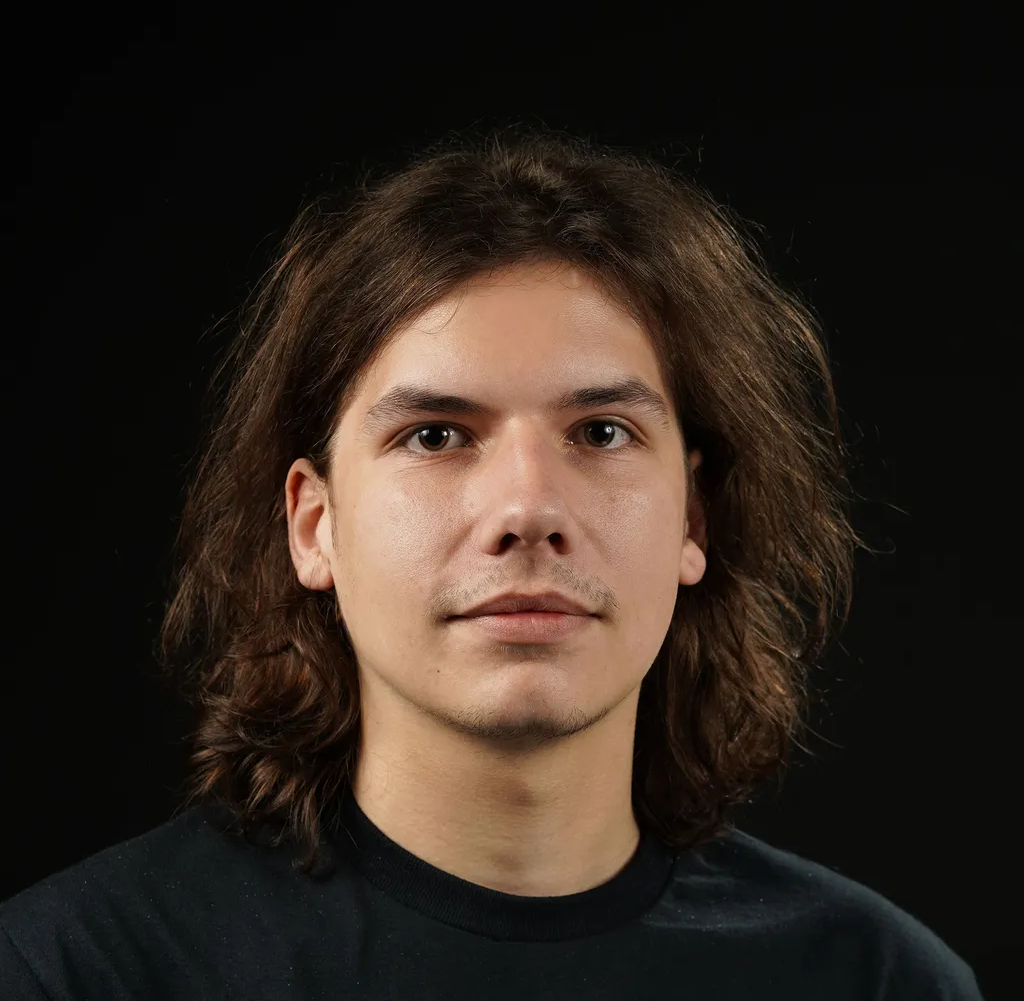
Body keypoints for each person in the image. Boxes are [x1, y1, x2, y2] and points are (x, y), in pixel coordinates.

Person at [0, 129, 984, 999]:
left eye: (600, 431)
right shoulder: (76, 971)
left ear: (694, 515)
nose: (527, 509)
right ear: (313, 525)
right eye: (435, 436)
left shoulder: (875, 979)